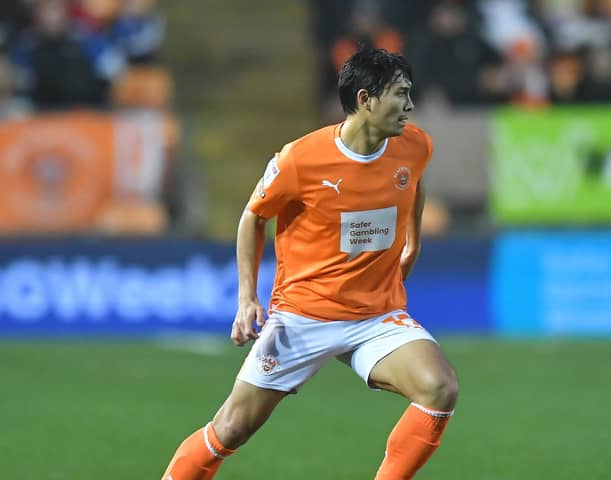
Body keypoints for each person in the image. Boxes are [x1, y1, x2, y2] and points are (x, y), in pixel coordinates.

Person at [161, 46, 459, 480]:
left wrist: (412, 242)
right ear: (365, 99)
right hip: (304, 315)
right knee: (231, 428)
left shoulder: (413, 146)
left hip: (376, 315)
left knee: (439, 387)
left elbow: (414, 184)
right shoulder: (300, 159)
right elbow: (252, 218)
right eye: (400, 94)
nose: (410, 106)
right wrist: (247, 299)